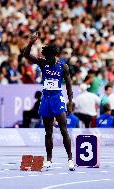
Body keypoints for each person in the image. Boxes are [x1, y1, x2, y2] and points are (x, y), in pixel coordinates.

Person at [23, 32, 75, 171]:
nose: (47, 59)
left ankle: (70, 159)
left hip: (57, 98)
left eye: (48, 57)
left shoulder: (63, 66)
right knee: (48, 131)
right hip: (45, 99)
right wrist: (31, 42)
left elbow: (69, 85)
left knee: (64, 130)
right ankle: (49, 160)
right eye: (45, 57)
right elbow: (26, 55)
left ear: (54, 55)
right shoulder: (42, 62)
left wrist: (70, 102)